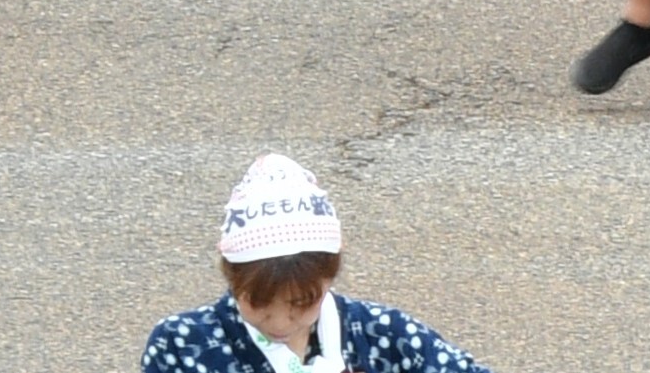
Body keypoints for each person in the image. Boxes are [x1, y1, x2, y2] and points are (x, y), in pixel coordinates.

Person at [142, 154, 496, 373]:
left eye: (302, 303)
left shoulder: (386, 336)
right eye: (258, 303)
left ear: (330, 277)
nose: (279, 322)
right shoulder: (181, 343)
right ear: (231, 276)